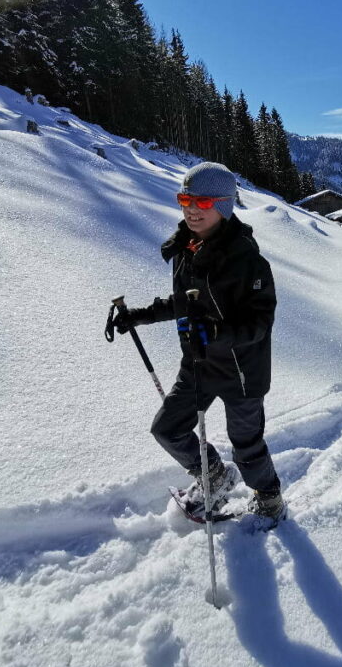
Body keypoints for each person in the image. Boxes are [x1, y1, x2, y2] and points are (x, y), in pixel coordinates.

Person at [112, 161, 286, 523]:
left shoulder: (247, 261)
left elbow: (260, 322)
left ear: (222, 206)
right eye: (185, 199)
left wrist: (219, 333)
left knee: (247, 447)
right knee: (167, 429)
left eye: (203, 203)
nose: (191, 209)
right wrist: (141, 315)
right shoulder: (185, 248)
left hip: (241, 370)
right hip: (198, 360)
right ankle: (215, 477)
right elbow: (185, 302)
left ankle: (269, 498)